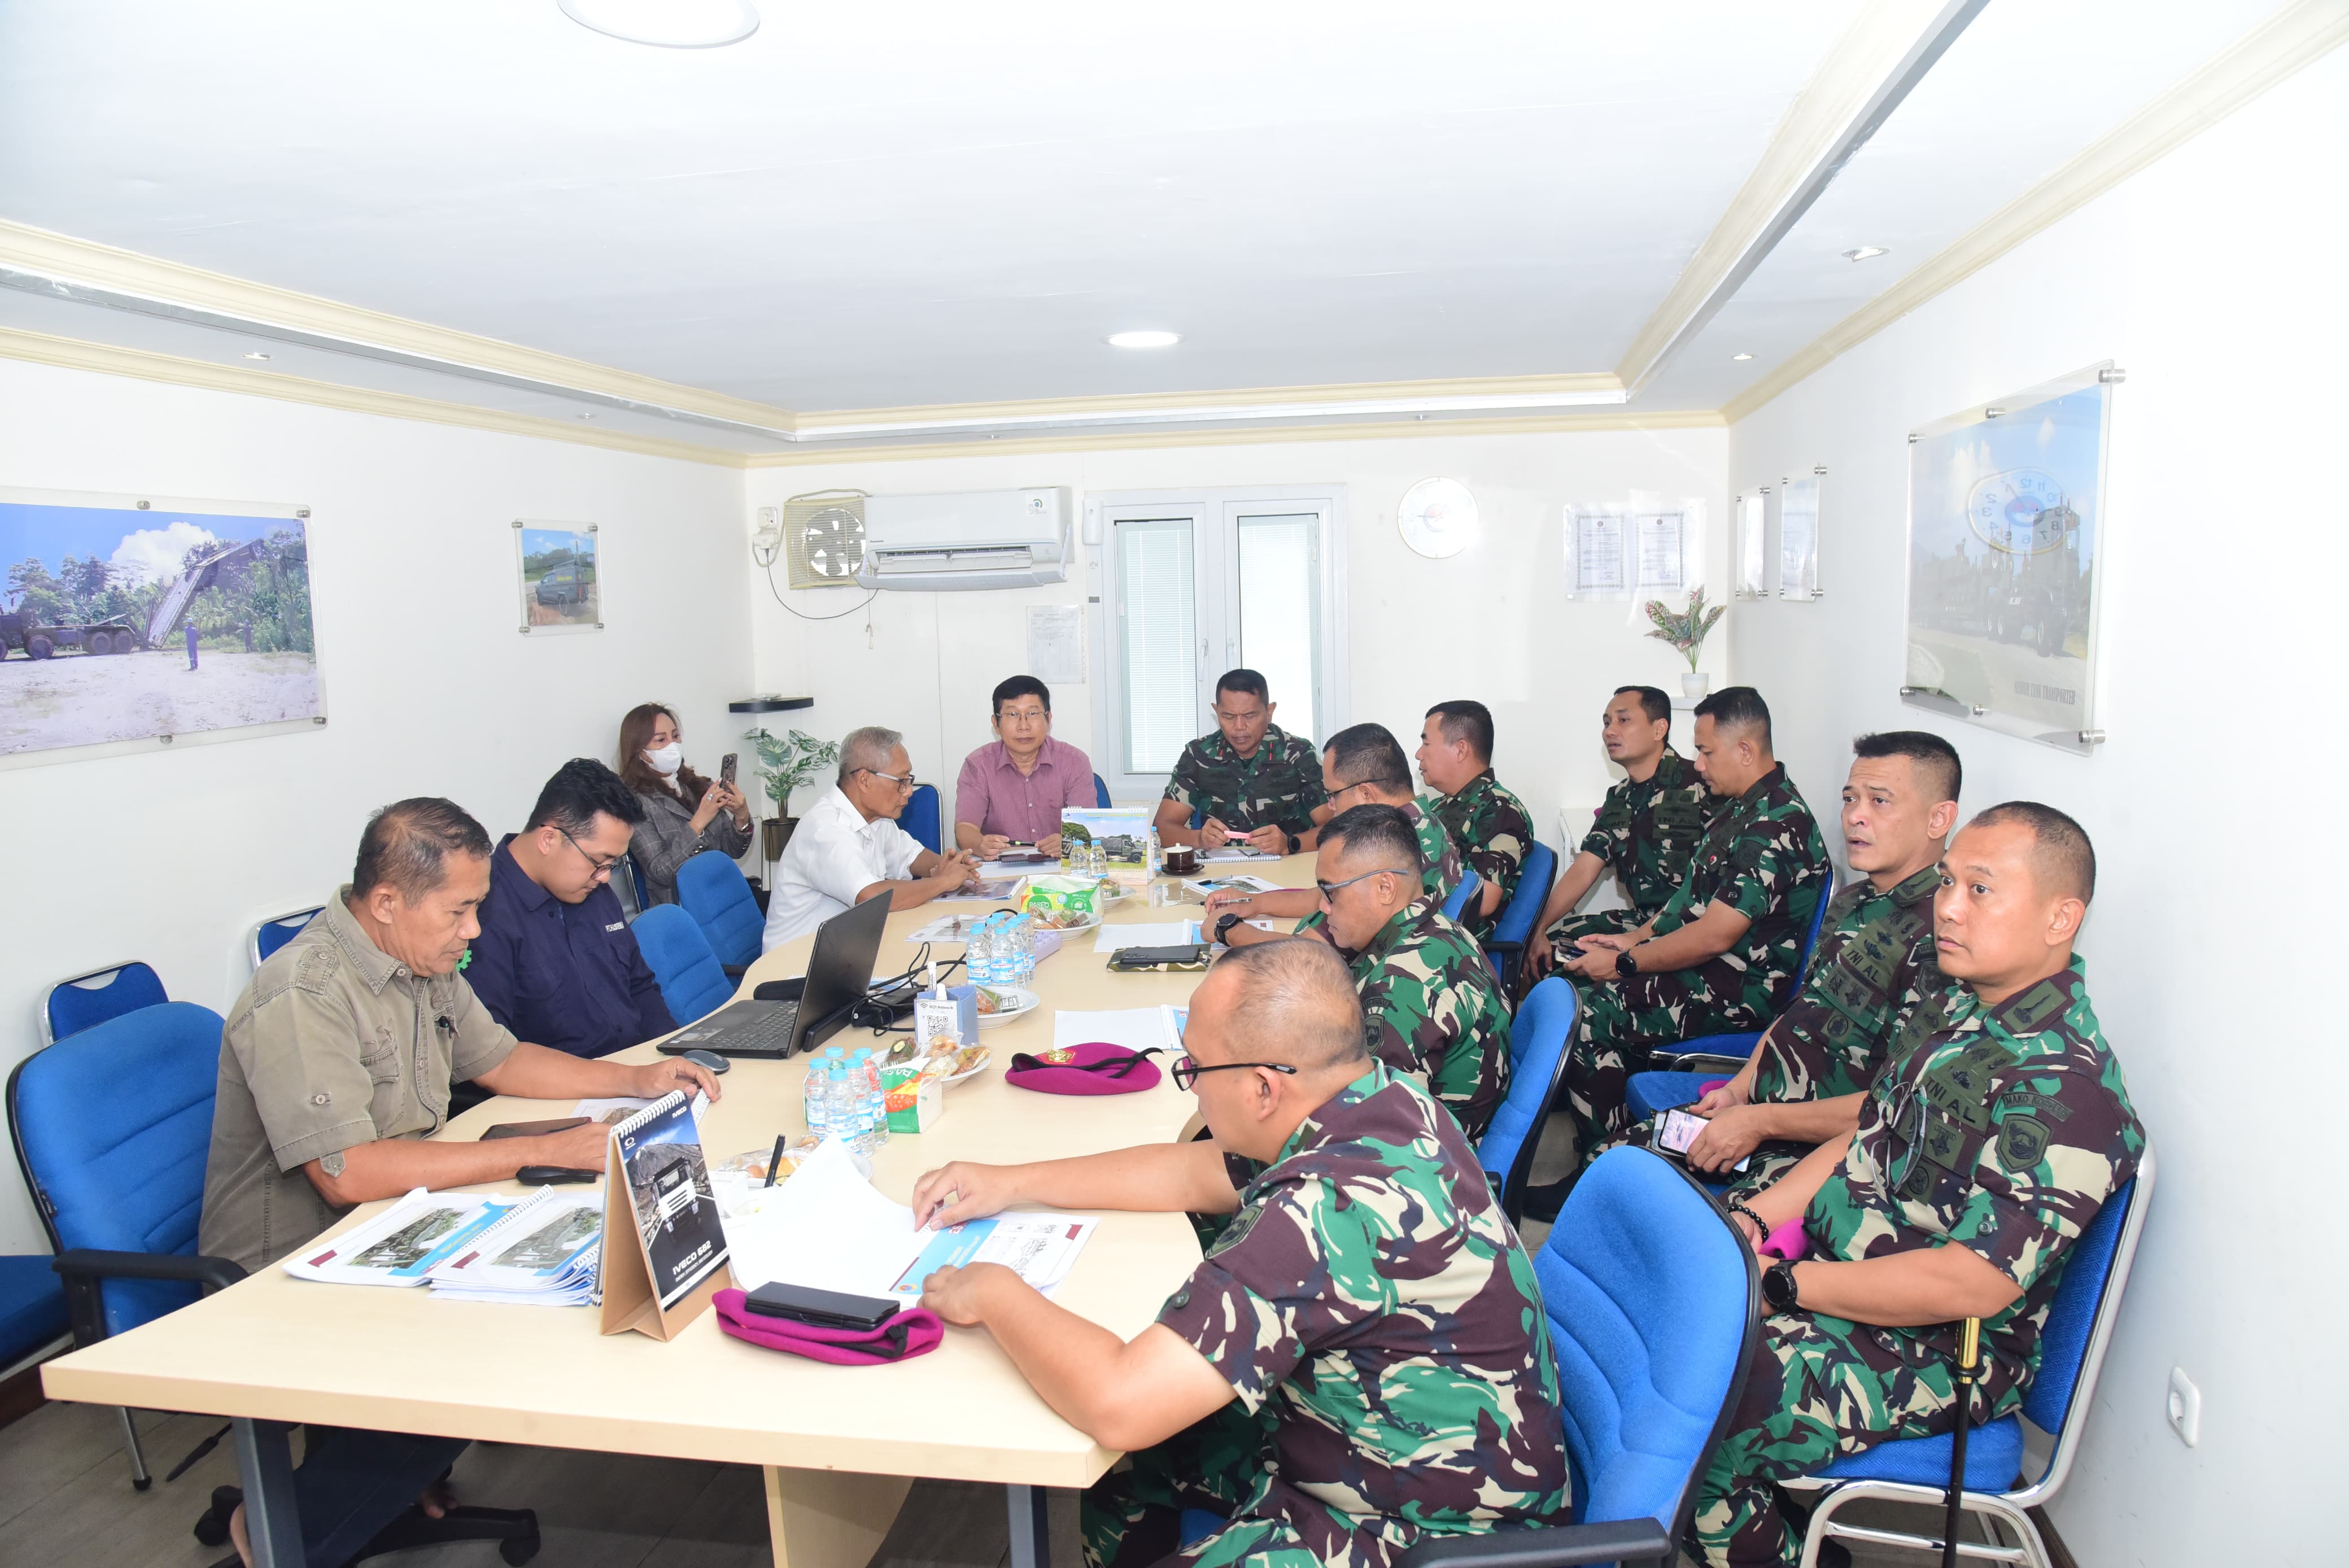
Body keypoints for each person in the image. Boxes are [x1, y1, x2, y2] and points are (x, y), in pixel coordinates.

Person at [909, 940, 1567, 1568]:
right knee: (1127, 1484)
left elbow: (1120, 1401)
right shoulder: (1379, 1097)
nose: (1191, 1087)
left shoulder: (1324, 1210)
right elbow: (1190, 1173)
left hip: (1421, 1532)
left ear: (1261, 1088)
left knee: (1128, 1435)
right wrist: (1010, 1181)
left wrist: (991, 1290)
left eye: (1195, 1067)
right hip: (1386, 1449)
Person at [199, 798, 721, 1568]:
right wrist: (538, 1149)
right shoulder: (304, 993)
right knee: (495, 1352)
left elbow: (502, 1058)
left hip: (399, 1222)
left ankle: (371, 1482)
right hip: (290, 1262)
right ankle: (289, 1524)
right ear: (387, 902)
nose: (474, 929)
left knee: (568, 1281)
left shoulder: (421, 958)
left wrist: (636, 1077)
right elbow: (348, 1173)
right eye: (460, 910)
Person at [1689, 803, 2142, 1568]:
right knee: (1671, 1309)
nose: (1949, 907)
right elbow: (1860, 1138)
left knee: (1697, 1411)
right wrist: (1752, 1225)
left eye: (1980, 889)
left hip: (1935, 1345)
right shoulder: (1958, 1013)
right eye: (1948, 882)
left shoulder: (2067, 1090)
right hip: (1837, 1279)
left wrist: (1784, 1284)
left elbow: (1971, 1282)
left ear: (2061, 917)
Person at [1524, 687, 1829, 1218]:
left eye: (1706, 751)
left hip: (1741, 986)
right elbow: (1684, 906)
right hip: (1709, 967)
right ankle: (1612, 1149)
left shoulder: (1777, 823)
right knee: (1580, 977)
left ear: (1745, 750)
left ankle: (1603, 1175)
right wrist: (1631, 940)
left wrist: (1626, 963)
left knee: (1589, 1016)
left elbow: (1714, 935)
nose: (1699, 764)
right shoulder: (1741, 810)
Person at [1634, 731, 1962, 1192]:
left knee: (1650, 1204)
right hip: (1763, 1112)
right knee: (1619, 1163)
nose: (1855, 816)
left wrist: (1760, 1122)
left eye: (1880, 801)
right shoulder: (1854, 900)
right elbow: (1797, 1014)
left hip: (1825, 1154)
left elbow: (1895, 1107)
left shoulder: (1945, 938)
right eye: (1850, 799)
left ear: (1939, 818)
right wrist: (1738, 1088)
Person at [1298, 803, 1511, 1137]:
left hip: (1425, 1156)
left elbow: (1368, 1131)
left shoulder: (1402, 985)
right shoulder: (1433, 928)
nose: (1324, 907)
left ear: (1385, 888)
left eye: (1330, 892)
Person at [467, 758, 678, 1057]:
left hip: (640, 1067)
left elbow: (640, 987)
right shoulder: (481, 914)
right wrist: (624, 1078)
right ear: (549, 839)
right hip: (566, 1082)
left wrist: (673, 1057)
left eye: (613, 864)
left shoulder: (593, 888)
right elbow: (493, 1057)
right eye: (599, 861)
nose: (605, 877)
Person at [1203, 722, 1461, 949]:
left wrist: (1228, 929)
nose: (1330, 806)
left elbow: (1310, 955)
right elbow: (1323, 897)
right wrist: (1254, 903)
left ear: (1366, 794)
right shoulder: (1421, 823)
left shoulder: (1390, 848)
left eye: (1333, 794)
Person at [1525, 685, 1721, 981]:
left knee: (1579, 978)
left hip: (1687, 929)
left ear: (1659, 729)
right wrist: (1538, 928)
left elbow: (1708, 892)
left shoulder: (1703, 785)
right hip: (1640, 922)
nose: (1609, 731)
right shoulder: (1619, 797)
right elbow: (1584, 869)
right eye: (1606, 723)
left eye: (1623, 720)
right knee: (1547, 954)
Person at [762, 726, 981, 950]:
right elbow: (871, 897)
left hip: (848, 947)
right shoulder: (827, 829)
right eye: (901, 781)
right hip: (798, 961)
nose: (908, 791)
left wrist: (949, 866)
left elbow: (912, 856)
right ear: (865, 780)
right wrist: (944, 881)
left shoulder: (876, 818)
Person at [1154, 668, 1331, 854]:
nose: (1239, 727)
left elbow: (1335, 827)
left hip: (1284, 864)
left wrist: (1290, 843)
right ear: (1216, 711)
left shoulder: (1298, 753)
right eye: (1228, 716)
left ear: (1269, 711)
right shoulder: (1198, 754)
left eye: (1250, 716)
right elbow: (1162, 828)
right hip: (1220, 867)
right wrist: (1199, 839)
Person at [1415, 700, 1535, 939]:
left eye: (1426, 744)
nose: (1419, 754)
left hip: (1453, 944)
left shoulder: (1499, 810)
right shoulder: (1441, 806)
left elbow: (1481, 901)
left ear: (1461, 750)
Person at [617, 702, 752, 905]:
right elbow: (660, 872)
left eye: (676, 736)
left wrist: (742, 816)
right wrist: (698, 823)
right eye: (661, 740)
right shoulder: (634, 803)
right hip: (683, 907)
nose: (672, 745)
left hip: (723, 895)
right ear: (639, 751)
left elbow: (734, 851)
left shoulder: (700, 786)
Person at [954, 675, 1098, 859]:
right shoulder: (978, 765)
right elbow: (965, 828)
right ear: (996, 724)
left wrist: (1066, 841)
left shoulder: (1074, 762)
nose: (1024, 726)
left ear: (1049, 719)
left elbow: (1087, 828)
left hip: (1058, 866)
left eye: (1033, 714)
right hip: (1002, 866)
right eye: (1013, 715)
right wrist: (979, 845)